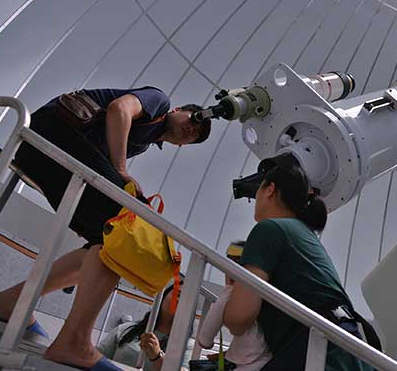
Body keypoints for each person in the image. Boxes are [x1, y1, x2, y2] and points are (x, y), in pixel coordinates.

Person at [0, 87, 212, 370]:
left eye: (196, 135)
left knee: (106, 239)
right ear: (177, 110)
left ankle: (12, 302)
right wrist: (122, 171)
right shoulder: (159, 101)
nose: (192, 129)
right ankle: (74, 341)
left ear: (184, 146)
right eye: (195, 119)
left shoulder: (144, 141)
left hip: (48, 151)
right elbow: (119, 110)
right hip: (54, 132)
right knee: (127, 227)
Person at [222, 163, 373, 371]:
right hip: (347, 351)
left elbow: (238, 318)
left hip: (318, 353)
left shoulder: (268, 229)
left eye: (259, 189)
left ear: (270, 190)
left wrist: (228, 297)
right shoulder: (306, 237)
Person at [196, 241, 271, 371]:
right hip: (264, 357)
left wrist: (206, 342)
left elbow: (206, 334)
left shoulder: (231, 292)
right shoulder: (266, 295)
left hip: (245, 362)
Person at [97, 283, 193, 371]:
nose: (179, 300)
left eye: (186, 300)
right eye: (178, 294)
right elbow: (96, 357)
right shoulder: (127, 329)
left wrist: (157, 356)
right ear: (163, 296)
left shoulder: (187, 345)